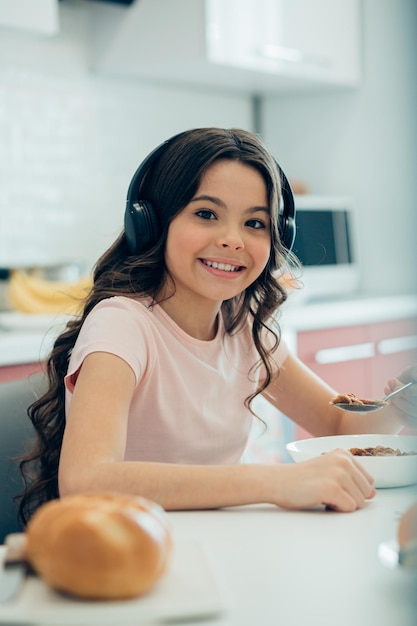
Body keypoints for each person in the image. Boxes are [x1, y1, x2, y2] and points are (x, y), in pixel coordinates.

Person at [19, 128, 417, 524]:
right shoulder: (122, 325)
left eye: (255, 223)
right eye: (206, 214)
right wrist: (273, 482)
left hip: (214, 542)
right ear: (153, 223)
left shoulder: (244, 328)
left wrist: (402, 404)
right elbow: (86, 479)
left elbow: (337, 425)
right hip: (126, 552)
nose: (233, 239)